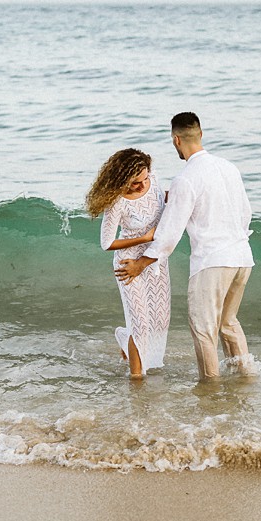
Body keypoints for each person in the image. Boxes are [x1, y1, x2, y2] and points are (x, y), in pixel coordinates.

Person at [115, 112, 255, 380]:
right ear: (200, 134)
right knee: (228, 323)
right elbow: (245, 212)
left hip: (212, 262)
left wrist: (141, 263)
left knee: (204, 330)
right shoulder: (229, 167)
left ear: (176, 140)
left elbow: (169, 233)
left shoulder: (186, 178)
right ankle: (245, 378)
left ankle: (210, 387)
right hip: (242, 257)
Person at [87, 148, 171, 379]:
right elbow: (107, 243)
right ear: (122, 180)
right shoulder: (117, 203)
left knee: (160, 321)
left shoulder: (152, 181)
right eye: (136, 182)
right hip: (128, 264)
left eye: (145, 178)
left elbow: (160, 197)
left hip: (155, 260)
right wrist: (145, 237)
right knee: (140, 325)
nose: (142, 185)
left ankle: (126, 340)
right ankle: (136, 377)